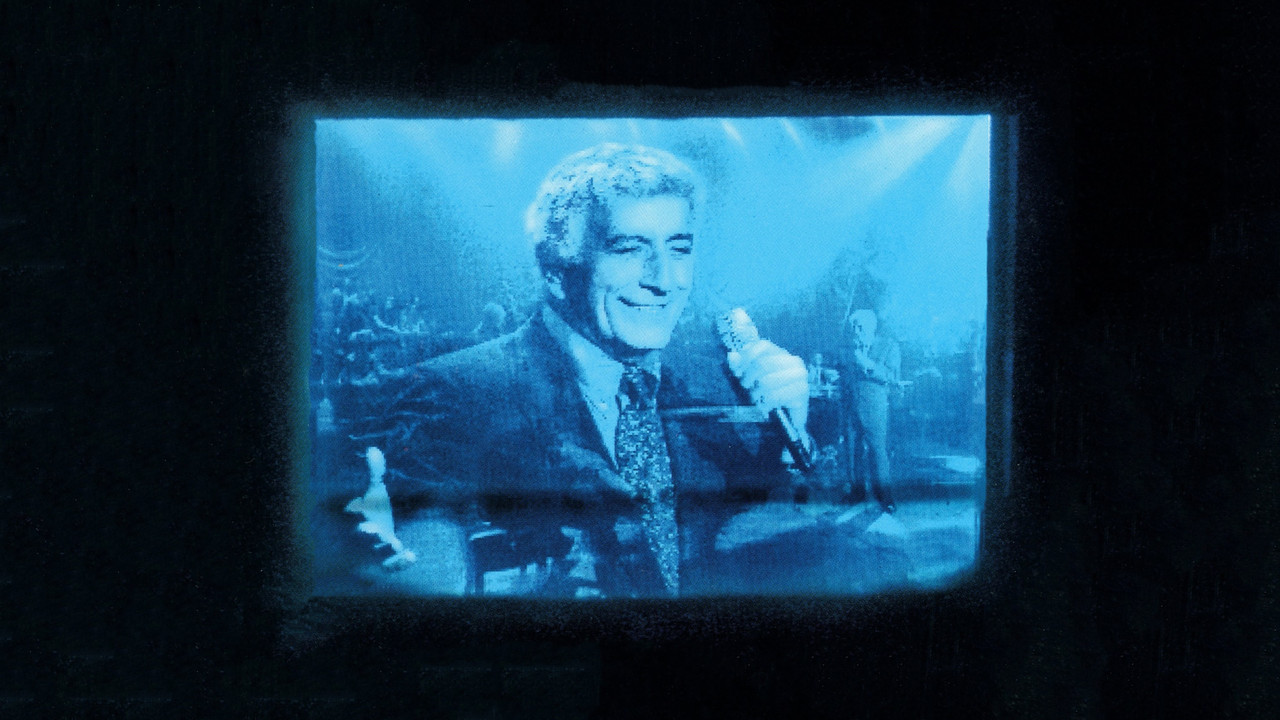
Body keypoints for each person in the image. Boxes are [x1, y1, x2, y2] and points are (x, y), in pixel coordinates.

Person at [364, 143, 811, 598]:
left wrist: (791, 444)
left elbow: (767, 560)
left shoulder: (722, 386)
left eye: (679, 249)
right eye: (628, 249)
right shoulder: (452, 394)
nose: (664, 279)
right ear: (556, 273)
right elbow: (426, 576)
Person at [840, 309, 900, 514]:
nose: (856, 331)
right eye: (853, 327)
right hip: (850, 407)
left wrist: (866, 363)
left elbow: (891, 376)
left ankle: (885, 496)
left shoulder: (889, 346)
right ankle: (857, 492)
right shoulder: (849, 348)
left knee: (877, 451)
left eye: (860, 327)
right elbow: (844, 375)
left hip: (874, 408)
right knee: (851, 451)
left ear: (871, 327)